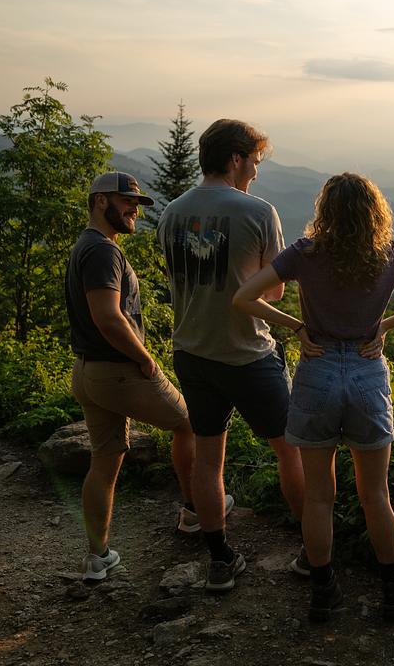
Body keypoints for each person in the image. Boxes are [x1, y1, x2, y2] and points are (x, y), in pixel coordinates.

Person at [231, 172, 394, 622]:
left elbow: (244, 297)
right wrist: (385, 326)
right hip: (368, 373)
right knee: (376, 495)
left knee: (318, 497)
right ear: (374, 214)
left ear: (325, 210)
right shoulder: (387, 255)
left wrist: (295, 327)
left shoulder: (306, 253)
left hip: (318, 372)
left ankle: (323, 592)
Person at [156, 119, 306, 593]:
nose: (256, 173)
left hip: (191, 351)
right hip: (247, 352)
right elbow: (276, 292)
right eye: (255, 162)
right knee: (290, 449)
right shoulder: (259, 212)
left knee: (208, 457)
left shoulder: (170, 213)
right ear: (236, 158)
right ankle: (312, 544)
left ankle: (219, 558)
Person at [64, 171, 198, 581]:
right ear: (100, 200)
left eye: (137, 205)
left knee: (105, 459)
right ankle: (195, 513)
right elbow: (109, 318)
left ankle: (97, 557)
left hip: (87, 371)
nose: (133, 212)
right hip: (118, 372)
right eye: (126, 202)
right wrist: (147, 360)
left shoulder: (84, 247)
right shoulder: (104, 252)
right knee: (191, 423)